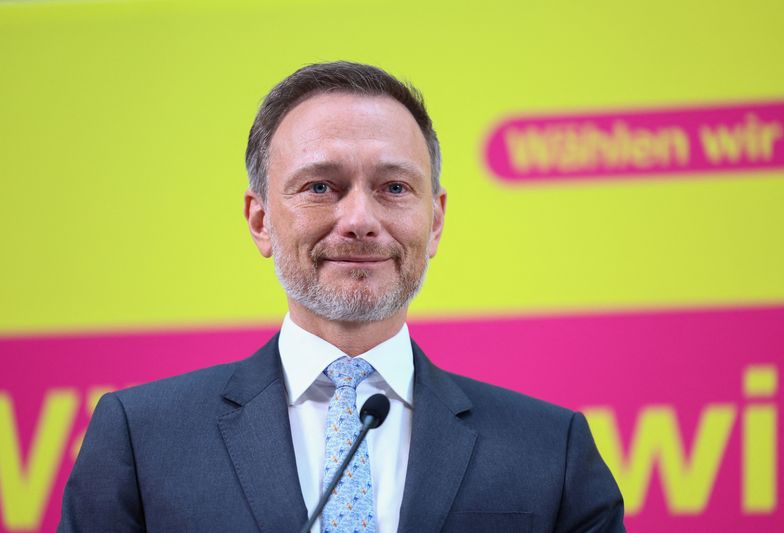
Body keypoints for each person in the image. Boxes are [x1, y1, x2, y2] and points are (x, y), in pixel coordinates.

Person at [59, 61, 624, 533]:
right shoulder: (141, 438)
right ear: (260, 221)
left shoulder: (551, 450)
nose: (359, 220)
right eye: (321, 187)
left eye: (394, 188)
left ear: (434, 222)